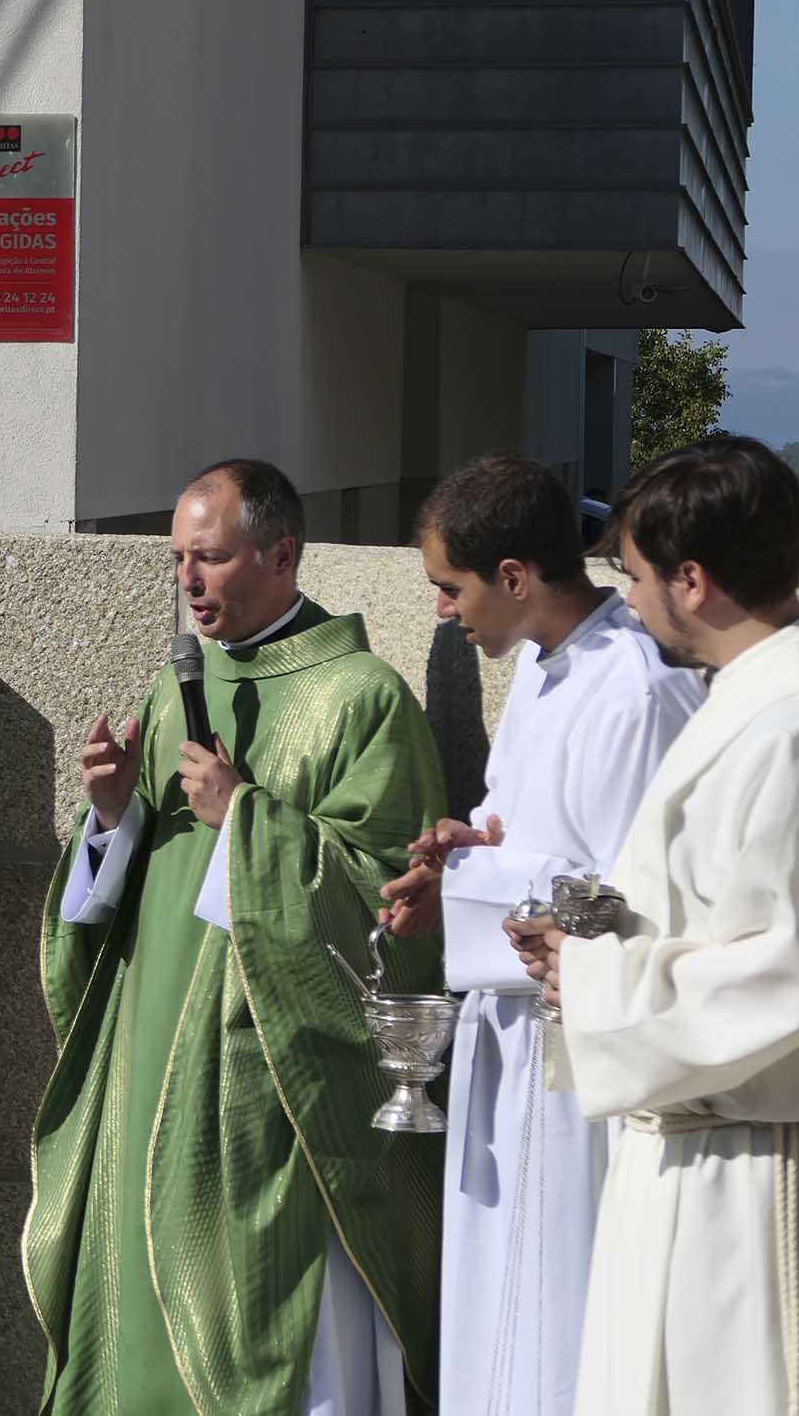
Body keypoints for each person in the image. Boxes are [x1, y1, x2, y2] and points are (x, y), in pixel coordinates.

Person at [22, 458, 448, 1414]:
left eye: (209, 557)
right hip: (150, 1044)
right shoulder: (176, 685)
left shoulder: (362, 699)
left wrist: (246, 815)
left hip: (272, 1068)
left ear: (282, 553)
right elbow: (129, 888)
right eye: (179, 557)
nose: (188, 579)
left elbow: (394, 907)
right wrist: (110, 814)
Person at [376, 455, 700, 1415]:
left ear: (513, 576)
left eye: (451, 586)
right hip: (507, 1034)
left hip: (575, 1054)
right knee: (495, 1309)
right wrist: (466, 853)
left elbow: (637, 897)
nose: (444, 611)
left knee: (561, 1308)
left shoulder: (636, 688)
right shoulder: (540, 664)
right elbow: (536, 838)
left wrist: (476, 881)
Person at [512, 434, 799, 1412]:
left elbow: (785, 969)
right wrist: (583, 937)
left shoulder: (784, 726)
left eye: (634, 576)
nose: (626, 600)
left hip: (747, 1177)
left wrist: (596, 979)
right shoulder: (740, 699)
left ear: (693, 580)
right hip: (680, 1147)